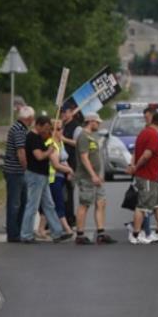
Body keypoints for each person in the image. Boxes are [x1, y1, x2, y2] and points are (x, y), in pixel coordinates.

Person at [20, 115, 73, 244]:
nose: (46, 131)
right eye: (45, 128)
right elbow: (39, 156)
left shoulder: (40, 137)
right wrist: (50, 150)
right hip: (35, 175)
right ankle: (26, 234)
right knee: (32, 205)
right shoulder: (32, 138)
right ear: (38, 125)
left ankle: (56, 232)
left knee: (49, 205)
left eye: (48, 128)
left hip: (43, 176)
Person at [129, 111, 158, 244]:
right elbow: (146, 154)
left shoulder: (145, 132)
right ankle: (136, 234)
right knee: (143, 206)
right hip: (147, 175)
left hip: (154, 176)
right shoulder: (152, 135)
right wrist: (136, 167)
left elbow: (137, 152)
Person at [74, 113, 116, 245]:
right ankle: (80, 234)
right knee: (85, 204)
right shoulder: (83, 137)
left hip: (96, 177)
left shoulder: (92, 136)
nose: (99, 124)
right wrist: (92, 175)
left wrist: (100, 174)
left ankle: (101, 233)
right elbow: (84, 158)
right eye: (97, 122)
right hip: (87, 177)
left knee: (101, 203)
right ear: (90, 121)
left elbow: (96, 157)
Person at [3, 106, 35, 242]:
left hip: (15, 171)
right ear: (29, 118)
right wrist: (27, 168)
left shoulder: (20, 128)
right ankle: (13, 233)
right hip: (15, 171)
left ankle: (19, 230)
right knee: (15, 204)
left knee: (21, 202)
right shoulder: (19, 130)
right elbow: (21, 152)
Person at [45, 119, 75, 238]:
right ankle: (67, 229)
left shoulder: (60, 142)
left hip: (61, 177)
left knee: (50, 204)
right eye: (57, 129)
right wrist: (69, 170)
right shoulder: (50, 143)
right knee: (58, 203)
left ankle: (42, 229)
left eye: (61, 128)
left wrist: (68, 169)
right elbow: (55, 164)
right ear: (51, 131)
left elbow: (64, 159)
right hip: (53, 178)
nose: (60, 131)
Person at [60, 105, 82, 229]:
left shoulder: (77, 127)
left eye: (65, 112)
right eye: (61, 112)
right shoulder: (61, 126)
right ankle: (62, 217)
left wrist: (64, 139)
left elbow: (78, 143)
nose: (63, 114)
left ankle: (70, 218)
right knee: (60, 192)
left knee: (68, 191)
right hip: (60, 163)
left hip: (71, 163)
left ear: (71, 113)